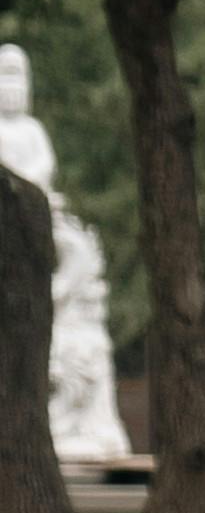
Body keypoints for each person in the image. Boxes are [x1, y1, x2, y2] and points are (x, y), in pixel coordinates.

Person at [0, 43, 121, 463]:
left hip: (32, 213)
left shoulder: (32, 131)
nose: (11, 91)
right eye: (4, 81)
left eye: (17, 81)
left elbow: (43, 168)